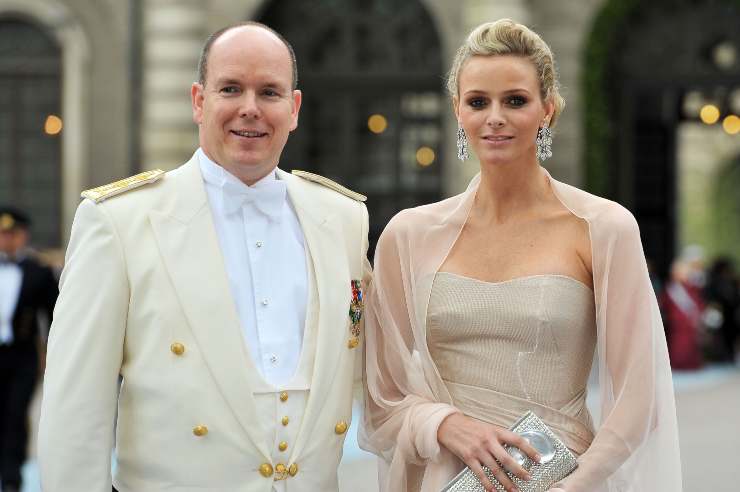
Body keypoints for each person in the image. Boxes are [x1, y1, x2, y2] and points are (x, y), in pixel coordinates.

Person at [39, 22, 371, 492]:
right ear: (198, 101)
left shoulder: (343, 219)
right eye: (230, 89)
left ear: (294, 108)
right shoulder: (119, 221)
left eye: (269, 92)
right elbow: (75, 410)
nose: (250, 108)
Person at [360, 19, 681, 492]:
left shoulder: (602, 227)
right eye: (478, 102)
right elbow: (380, 399)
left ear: (547, 109)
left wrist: (571, 487)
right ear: (457, 110)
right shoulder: (408, 235)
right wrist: (447, 425)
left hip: (563, 480)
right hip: (445, 481)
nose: (495, 117)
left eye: (515, 100)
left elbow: (639, 398)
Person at [0, 207, 58, 492]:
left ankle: (12, 476)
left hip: (22, 355)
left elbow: (54, 314)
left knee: (15, 412)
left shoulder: (39, 271)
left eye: (12, 234)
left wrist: (52, 353)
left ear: (24, 236)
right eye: (2, 234)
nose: (7, 240)